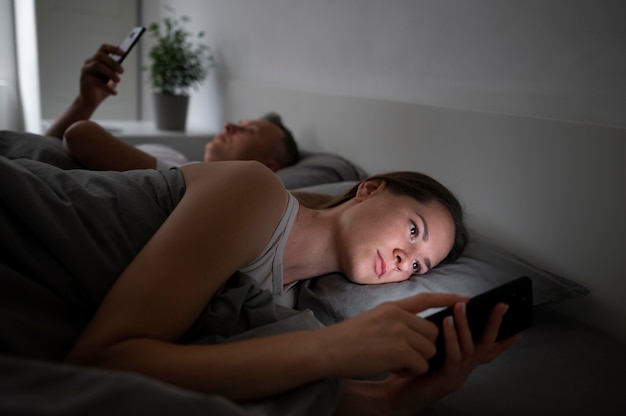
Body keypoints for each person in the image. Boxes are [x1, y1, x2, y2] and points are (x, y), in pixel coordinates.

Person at [1, 146, 520, 414]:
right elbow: (102, 363)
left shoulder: (288, 313)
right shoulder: (257, 190)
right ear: (370, 190)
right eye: (414, 230)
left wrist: (392, 401)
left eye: (420, 267)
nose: (407, 259)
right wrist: (335, 350)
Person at [44, 44, 299, 172]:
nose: (228, 125)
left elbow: (80, 137)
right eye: (239, 123)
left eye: (249, 130)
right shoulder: (173, 157)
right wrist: (86, 102)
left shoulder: (186, 180)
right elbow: (43, 151)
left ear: (270, 167)